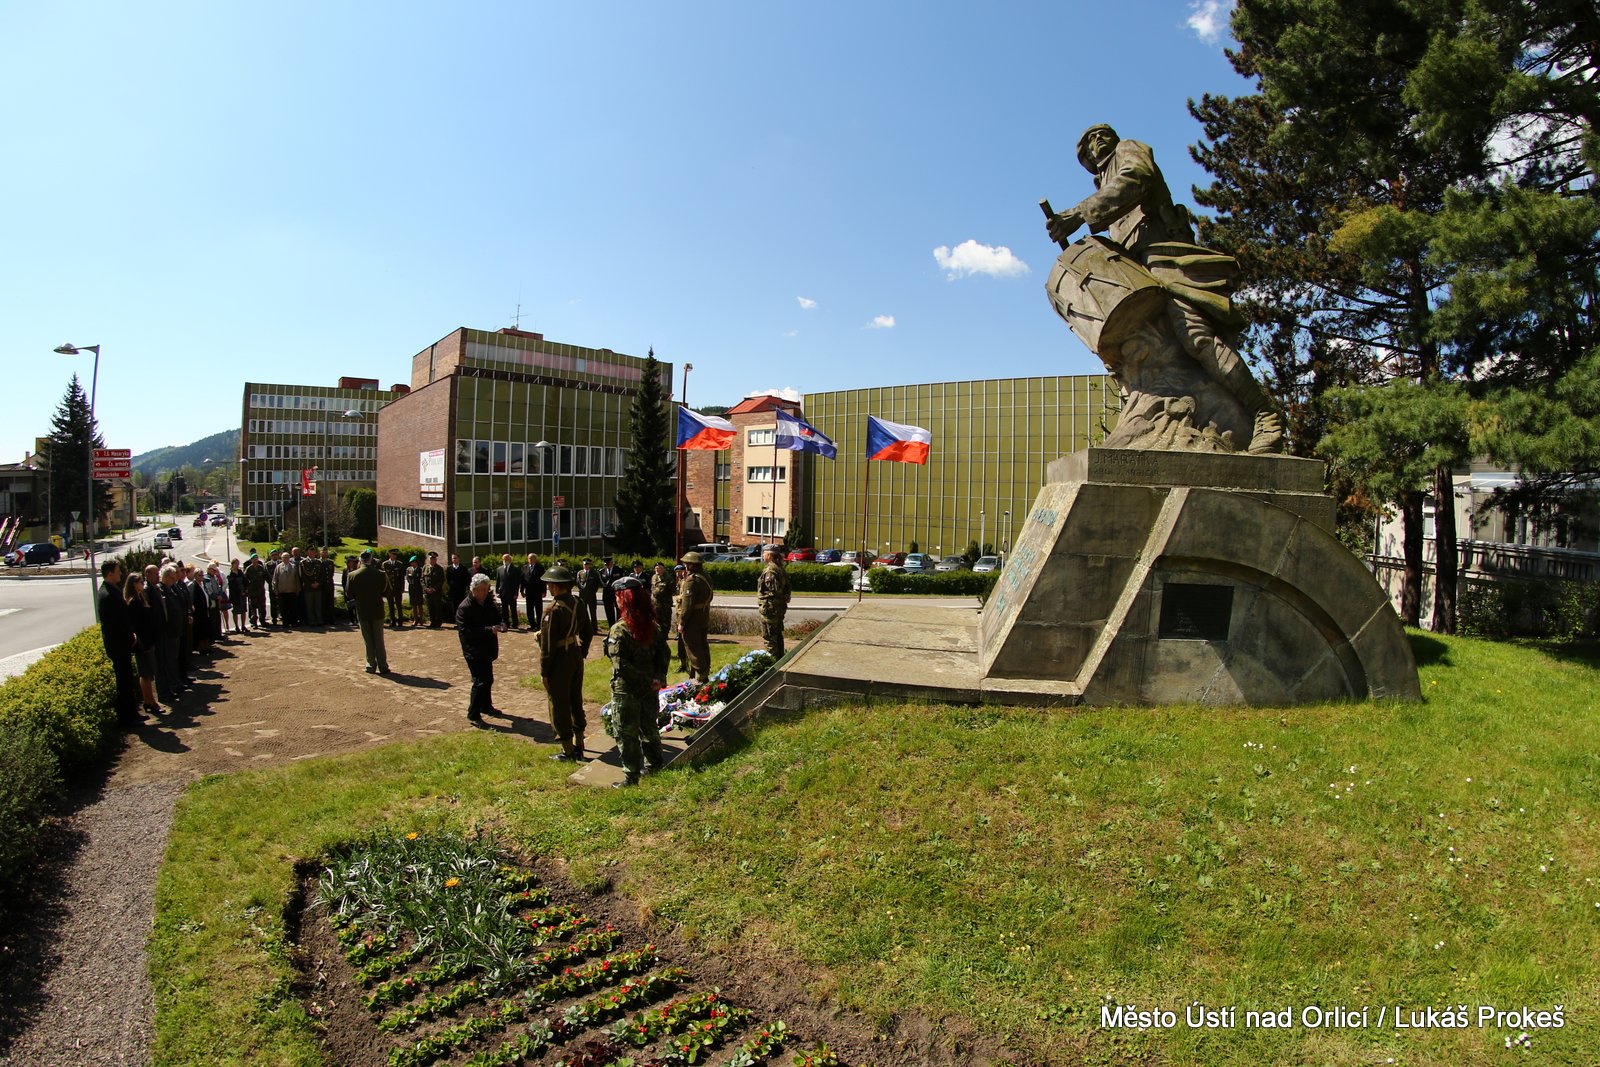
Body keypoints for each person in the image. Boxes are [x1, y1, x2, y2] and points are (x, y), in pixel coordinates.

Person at [1044, 123, 1283, 454]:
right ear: (1086, 159)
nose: (1098, 140)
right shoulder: (1104, 182)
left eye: (1102, 135)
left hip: (1164, 259)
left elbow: (1137, 178)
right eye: (1088, 142)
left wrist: (1079, 213)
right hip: (1139, 272)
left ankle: (1264, 414)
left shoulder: (1127, 150)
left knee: (1196, 337)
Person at [604, 575, 668, 787]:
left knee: (626, 732)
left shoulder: (620, 629)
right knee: (649, 727)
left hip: (627, 690)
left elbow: (620, 664)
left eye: (617, 597)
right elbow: (664, 655)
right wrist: (657, 678)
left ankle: (631, 776)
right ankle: (656, 764)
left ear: (623, 599)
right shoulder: (653, 626)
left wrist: (648, 680)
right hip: (650, 687)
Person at [538, 564, 592, 760]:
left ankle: (568, 750)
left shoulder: (553, 610)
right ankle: (580, 742)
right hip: (575, 655)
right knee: (575, 699)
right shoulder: (578, 602)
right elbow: (588, 631)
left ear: (555, 586)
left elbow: (548, 646)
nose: (548, 588)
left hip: (560, 659)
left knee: (559, 703)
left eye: (549, 584)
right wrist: (581, 652)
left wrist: (545, 672)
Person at [98, 560, 143, 726]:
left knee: (127, 681)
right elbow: (117, 622)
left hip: (121, 644)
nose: (121, 574)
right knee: (123, 682)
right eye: (118, 571)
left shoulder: (111, 590)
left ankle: (133, 714)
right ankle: (127, 718)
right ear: (110, 573)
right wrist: (130, 636)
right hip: (118, 645)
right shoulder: (108, 594)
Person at [456, 573, 504, 724]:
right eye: (481, 590)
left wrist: (501, 624)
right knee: (480, 681)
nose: (484, 593)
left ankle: (486, 706)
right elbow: (466, 631)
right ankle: (473, 714)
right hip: (473, 650)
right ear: (473, 589)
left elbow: (496, 617)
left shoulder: (488, 602)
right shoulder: (465, 607)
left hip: (487, 648)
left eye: (486, 589)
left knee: (488, 680)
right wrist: (489, 630)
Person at [124, 570, 163, 715]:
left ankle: (150, 700)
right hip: (143, 643)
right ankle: (149, 701)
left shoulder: (140, 598)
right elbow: (137, 626)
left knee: (149, 673)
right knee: (145, 674)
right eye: (141, 582)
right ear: (134, 584)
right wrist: (143, 643)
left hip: (148, 640)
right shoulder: (133, 602)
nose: (143, 584)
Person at [347, 550, 391, 675]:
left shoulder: (352, 575)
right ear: (371, 560)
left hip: (362, 610)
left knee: (368, 639)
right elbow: (387, 591)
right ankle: (383, 666)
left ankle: (371, 665)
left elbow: (349, 593)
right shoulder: (381, 574)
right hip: (377, 609)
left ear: (360, 560)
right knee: (379, 639)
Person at [675, 551, 715, 681]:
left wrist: (682, 623)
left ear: (691, 565)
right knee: (702, 644)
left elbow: (687, 605)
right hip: (703, 616)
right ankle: (705, 670)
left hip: (693, 619)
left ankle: (701, 675)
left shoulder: (692, 580)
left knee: (693, 646)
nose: (685, 566)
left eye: (686, 564)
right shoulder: (706, 576)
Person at [756, 547, 792, 658]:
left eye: (764, 553)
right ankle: (781, 660)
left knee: (770, 637)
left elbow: (774, 590)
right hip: (777, 607)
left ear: (769, 555)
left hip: (770, 608)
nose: (763, 556)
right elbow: (786, 588)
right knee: (777, 636)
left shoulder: (770, 570)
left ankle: (773, 663)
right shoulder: (780, 568)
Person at [272, 547, 302, 627]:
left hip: (292, 591)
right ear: (281, 558)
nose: (285, 559)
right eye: (284, 557)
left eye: (287, 557)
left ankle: (293, 622)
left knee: (293, 608)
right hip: (282, 592)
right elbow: (275, 579)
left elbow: (297, 579)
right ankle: (285, 623)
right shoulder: (278, 567)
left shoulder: (293, 566)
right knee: (283, 609)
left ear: (289, 558)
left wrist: (298, 589)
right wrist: (275, 590)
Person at [496, 553, 522, 630]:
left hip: (512, 593)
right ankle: (506, 624)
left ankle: (515, 624)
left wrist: (516, 593)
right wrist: (497, 590)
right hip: (503, 593)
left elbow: (517, 583)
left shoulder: (515, 569)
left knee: (513, 609)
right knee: (504, 610)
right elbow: (498, 581)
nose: (505, 560)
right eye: (504, 559)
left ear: (510, 560)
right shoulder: (499, 569)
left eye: (506, 559)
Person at [243, 552, 268, 630]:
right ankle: (254, 623)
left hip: (261, 591)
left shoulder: (261, 568)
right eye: (254, 559)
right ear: (251, 560)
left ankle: (262, 621)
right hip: (252, 592)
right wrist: (246, 589)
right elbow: (245, 579)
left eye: (256, 559)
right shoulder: (248, 569)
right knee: (253, 609)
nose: (255, 560)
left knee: (262, 607)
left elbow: (265, 577)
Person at [422, 551, 447, 628]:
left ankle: (438, 623)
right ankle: (432, 622)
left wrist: (434, 588)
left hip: (436, 592)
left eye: (433, 559)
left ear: (436, 560)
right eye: (431, 559)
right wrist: (425, 588)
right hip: (428, 592)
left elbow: (442, 580)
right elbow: (422, 579)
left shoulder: (439, 569)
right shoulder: (425, 567)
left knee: (437, 608)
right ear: (429, 559)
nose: (432, 560)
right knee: (430, 608)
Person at [382, 549, 406, 627]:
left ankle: (400, 621)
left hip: (397, 588)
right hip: (389, 588)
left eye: (396, 554)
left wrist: (402, 588)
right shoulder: (385, 564)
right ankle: (393, 621)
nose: (395, 556)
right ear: (390, 554)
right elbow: (383, 577)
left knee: (399, 605)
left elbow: (402, 577)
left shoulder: (400, 564)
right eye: (393, 554)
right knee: (391, 605)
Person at [650, 561, 676, 633]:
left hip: (665, 605)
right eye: (656, 568)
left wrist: (660, 591)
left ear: (664, 569)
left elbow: (671, 590)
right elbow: (652, 589)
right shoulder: (654, 577)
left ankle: (665, 635)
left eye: (660, 568)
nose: (657, 570)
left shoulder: (668, 578)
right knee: (656, 621)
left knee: (665, 622)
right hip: (655, 604)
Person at [577, 558, 602, 632]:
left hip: (591, 596)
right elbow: (578, 583)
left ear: (590, 565)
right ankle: (583, 629)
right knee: (583, 613)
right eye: (585, 564)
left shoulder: (594, 573)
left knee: (593, 613)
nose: (586, 566)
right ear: (583, 565)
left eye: (587, 564)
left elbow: (597, 584)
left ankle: (594, 629)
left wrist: (593, 592)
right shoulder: (580, 573)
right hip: (583, 596)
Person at [302, 547, 325, 627]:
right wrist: (310, 584)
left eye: (313, 552)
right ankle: (311, 621)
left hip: (318, 587)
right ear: (307, 553)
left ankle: (319, 620)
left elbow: (322, 574)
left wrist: (318, 583)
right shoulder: (303, 563)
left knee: (318, 605)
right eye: (310, 552)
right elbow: (303, 576)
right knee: (310, 605)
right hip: (308, 588)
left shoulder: (319, 562)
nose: (312, 553)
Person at [599, 556, 623, 628]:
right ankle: (611, 627)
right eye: (606, 564)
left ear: (612, 563)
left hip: (616, 594)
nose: (607, 566)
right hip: (607, 595)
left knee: (619, 612)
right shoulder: (601, 571)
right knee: (609, 612)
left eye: (608, 564)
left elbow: (621, 582)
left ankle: (618, 628)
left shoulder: (618, 570)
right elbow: (601, 583)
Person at [523, 555, 546, 624]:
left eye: (532, 558)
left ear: (535, 559)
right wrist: (521, 590)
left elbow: (543, 580)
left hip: (537, 592)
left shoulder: (540, 567)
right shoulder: (524, 567)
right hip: (528, 592)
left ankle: (539, 624)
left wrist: (544, 591)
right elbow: (522, 579)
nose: (530, 560)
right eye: (529, 558)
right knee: (529, 609)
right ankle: (532, 624)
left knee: (538, 609)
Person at [226, 558, 247, 634]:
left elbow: (245, 581)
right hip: (235, 596)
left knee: (243, 611)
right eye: (236, 564)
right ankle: (237, 627)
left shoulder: (240, 572)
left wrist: (245, 590)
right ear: (232, 564)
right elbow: (233, 586)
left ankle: (243, 626)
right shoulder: (230, 575)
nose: (237, 565)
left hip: (243, 595)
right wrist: (240, 592)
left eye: (238, 564)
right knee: (236, 611)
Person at [446, 553, 469, 617]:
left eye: (455, 558)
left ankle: (461, 619)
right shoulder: (449, 568)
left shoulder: (463, 568)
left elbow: (466, 579)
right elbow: (448, 579)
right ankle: (455, 619)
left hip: (461, 592)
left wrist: (465, 589)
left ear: (458, 559)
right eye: (452, 558)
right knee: (454, 607)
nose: (454, 559)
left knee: (461, 606)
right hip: (453, 592)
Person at [407, 556, 426, 626]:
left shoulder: (420, 569)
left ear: (416, 562)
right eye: (411, 563)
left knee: (420, 605)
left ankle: (421, 619)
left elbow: (421, 578)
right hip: (412, 589)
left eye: (413, 562)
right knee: (414, 605)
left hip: (418, 589)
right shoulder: (408, 569)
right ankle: (415, 620)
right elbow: (408, 578)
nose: (412, 564)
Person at [264, 550, 282, 625]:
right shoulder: (268, 565)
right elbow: (266, 576)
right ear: (271, 556)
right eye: (273, 555)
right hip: (272, 586)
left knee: (281, 601)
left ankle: (282, 616)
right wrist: (273, 583)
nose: (274, 556)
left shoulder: (281, 563)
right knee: (273, 602)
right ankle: (274, 618)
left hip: (281, 586)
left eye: (276, 554)